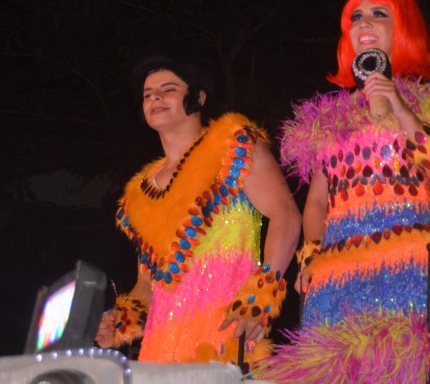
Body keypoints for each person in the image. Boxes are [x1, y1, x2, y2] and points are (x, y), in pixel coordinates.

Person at [259, 0, 430, 384]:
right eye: (356, 17)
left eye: (378, 14)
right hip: (337, 278)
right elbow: (317, 201)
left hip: (409, 273)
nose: (364, 24)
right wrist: (312, 255)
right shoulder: (328, 120)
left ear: (404, 28)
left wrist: (402, 110)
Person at [96, 56, 301, 371]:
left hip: (225, 339)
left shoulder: (233, 147)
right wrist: (119, 321)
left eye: (168, 89)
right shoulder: (139, 194)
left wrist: (261, 295)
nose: (155, 98)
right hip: (160, 354)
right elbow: (148, 284)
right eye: (148, 94)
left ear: (199, 98)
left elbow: (285, 214)